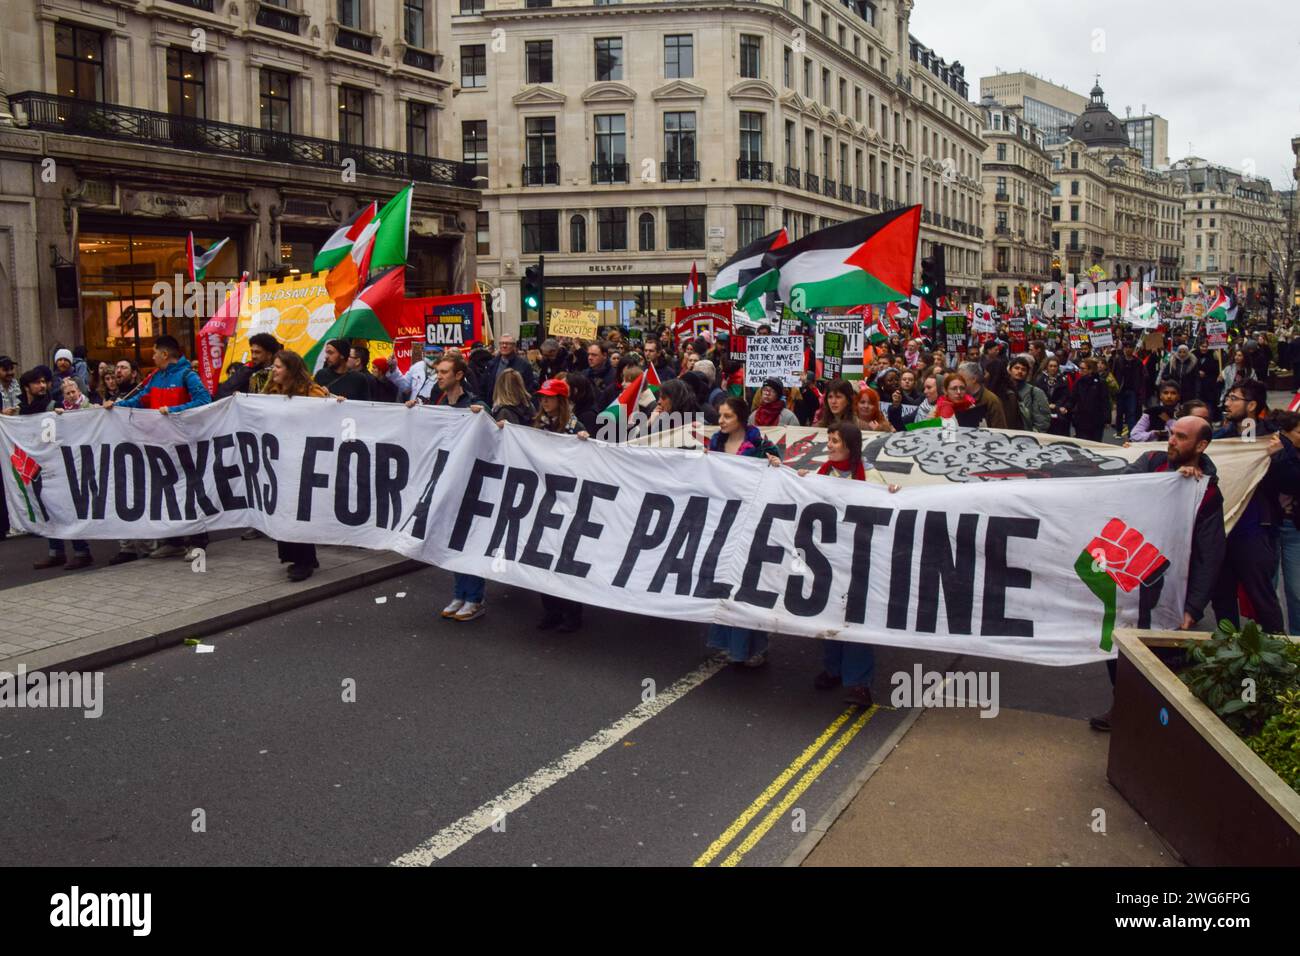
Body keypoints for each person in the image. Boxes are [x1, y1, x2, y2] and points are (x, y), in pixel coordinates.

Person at [1089, 416, 1226, 731]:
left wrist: (1193, 606)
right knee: (1116, 646)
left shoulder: (1205, 492)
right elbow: (1124, 486)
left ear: (1201, 446)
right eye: (1172, 434)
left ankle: (1159, 727)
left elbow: (1211, 553)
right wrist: (1170, 484)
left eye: (1181, 437)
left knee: (1161, 659)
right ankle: (1122, 706)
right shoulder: (1152, 462)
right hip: (1129, 576)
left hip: (1168, 589)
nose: (1172, 441)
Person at [795, 422, 898, 707]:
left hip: (861, 559)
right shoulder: (822, 473)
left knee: (855, 618)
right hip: (829, 559)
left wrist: (894, 492)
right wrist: (800, 482)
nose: (828, 445)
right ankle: (834, 669)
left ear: (850, 447)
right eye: (828, 440)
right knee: (829, 612)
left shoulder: (871, 476)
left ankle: (859, 683)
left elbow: (888, 506)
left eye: (835, 441)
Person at [107, 335, 213, 559]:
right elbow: (141, 399)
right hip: (161, 445)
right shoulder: (155, 378)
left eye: (154, 352)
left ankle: (197, 543)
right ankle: (174, 540)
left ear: (165, 355)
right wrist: (116, 406)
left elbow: (204, 401)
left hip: (184, 444)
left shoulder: (187, 375)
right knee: (167, 491)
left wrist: (175, 410)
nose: (152, 356)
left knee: (190, 492)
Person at [702, 396, 781, 666]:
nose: (720, 421)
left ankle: (756, 646)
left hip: (752, 522)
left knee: (747, 585)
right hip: (724, 521)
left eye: (727, 416)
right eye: (719, 415)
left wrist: (774, 463)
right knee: (725, 581)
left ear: (741, 418)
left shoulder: (759, 445)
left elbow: (780, 473)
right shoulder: (715, 442)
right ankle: (727, 642)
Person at [1210, 379, 1287, 633]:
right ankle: (1226, 652)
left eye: (1233, 398)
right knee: (1222, 597)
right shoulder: (1222, 437)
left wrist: (1277, 458)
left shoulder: (1272, 437)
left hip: (1254, 530)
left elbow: (1287, 481)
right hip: (1223, 530)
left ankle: (1276, 653)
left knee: (1260, 596)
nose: (1227, 403)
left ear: (1252, 405)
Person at [264, 350, 342, 580]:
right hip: (281, 459)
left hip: (305, 460)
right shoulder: (271, 391)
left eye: (278, 367)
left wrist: (337, 404)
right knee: (285, 509)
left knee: (300, 509)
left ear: (291, 369)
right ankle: (299, 556)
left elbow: (328, 417)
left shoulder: (313, 393)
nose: (274, 371)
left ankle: (303, 560)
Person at [1267, 410, 1300, 634]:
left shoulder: (1281, 454)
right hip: (1269, 526)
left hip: (1294, 528)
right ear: (1285, 434)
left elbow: (1293, 483)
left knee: (1296, 590)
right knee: (1268, 588)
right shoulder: (1271, 449)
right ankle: (1272, 638)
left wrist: (1280, 456)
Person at [404, 352, 481, 409]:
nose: (438, 376)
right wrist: (414, 409)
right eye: (437, 372)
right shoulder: (438, 404)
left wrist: (482, 414)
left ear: (458, 375)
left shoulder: (474, 405)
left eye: (444, 372)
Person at [217, 333, 280, 398]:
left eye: (257, 352)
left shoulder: (279, 373)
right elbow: (224, 390)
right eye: (252, 352)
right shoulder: (246, 369)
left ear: (269, 355)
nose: (253, 356)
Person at [1067, 357, 1110, 442]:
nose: (1080, 371)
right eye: (1080, 368)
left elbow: (1105, 401)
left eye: (1083, 369)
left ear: (1090, 370)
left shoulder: (1100, 383)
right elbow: (1073, 398)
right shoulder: (1079, 382)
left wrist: (1107, 419)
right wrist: (1067, 408)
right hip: (1081, 420)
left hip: (1096, 421)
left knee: (1095, 444)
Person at [954, 362, 1007, 428]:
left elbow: (1000, 430)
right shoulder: (957, 397)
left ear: (974, 379)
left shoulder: (991, 400)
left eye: (961, 379)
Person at [1007, 356, 1050, 432]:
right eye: (1016, 368)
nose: (1020, 371)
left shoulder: (1035, 392)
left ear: (1027, 373)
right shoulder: (1003, 390)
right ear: (1010, 370)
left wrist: (1032, 436)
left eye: (1023, 369)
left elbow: (1042, 421)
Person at [1218, 348, 1256, 412]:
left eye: (1239, 355)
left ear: (1245, 357)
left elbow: (1254, 384)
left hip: (1244, 398)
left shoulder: (1250, 371)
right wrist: (1220, 378)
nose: (1237, 357)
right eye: (1236, 355)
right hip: (1230, 397)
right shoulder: (1228, 368)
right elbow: (1220, 382)